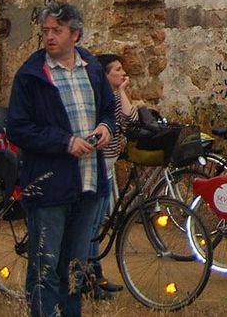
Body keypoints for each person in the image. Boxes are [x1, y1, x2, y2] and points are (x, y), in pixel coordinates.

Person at [7, 1, 117, 317]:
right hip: (49, 186)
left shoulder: (92, 68)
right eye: (46, 31)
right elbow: (18, 128)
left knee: (75, 268)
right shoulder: (31, 75)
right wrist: (64, 142)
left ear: (75, 34)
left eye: (57, 30)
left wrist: (106, 127)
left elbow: (109, 110)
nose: (50, 37)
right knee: (45, 266)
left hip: (88, 183)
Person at [84, 53, 137, 296]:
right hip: (98, 164)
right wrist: (121, 92)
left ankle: (95, 274)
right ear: (104, 75)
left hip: (108, 165)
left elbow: (130, 119)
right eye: (117, 70)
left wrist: (122, 90)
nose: (123, 73)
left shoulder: (114, 96)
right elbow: (129, 117)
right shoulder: (104, 98)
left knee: (96, 224)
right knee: (92, 224)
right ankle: (90, 276)